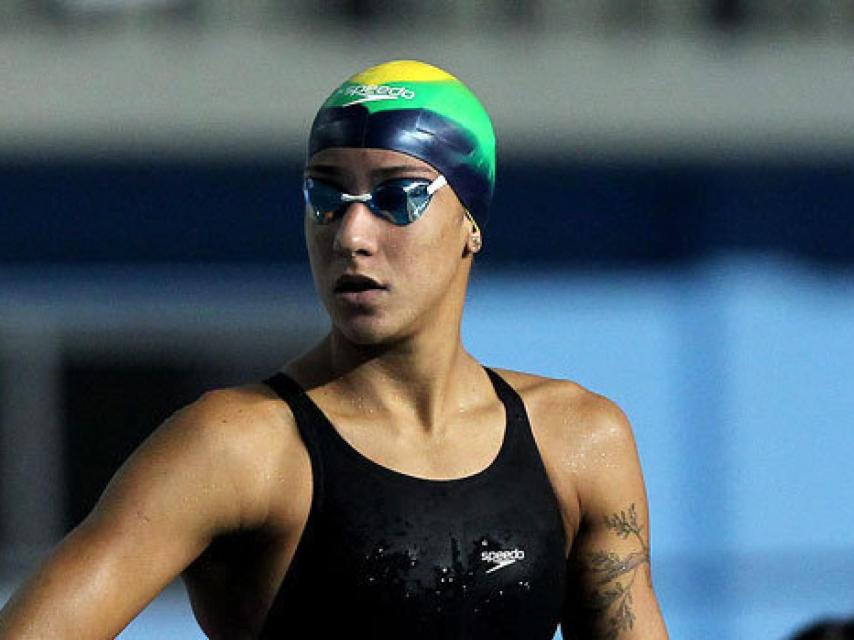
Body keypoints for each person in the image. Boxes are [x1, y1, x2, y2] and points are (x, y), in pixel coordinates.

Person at [0, 60, 668, 639]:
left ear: (470, 222)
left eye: (396, 197)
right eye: (326, 196)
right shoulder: (239, 449)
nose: (351, 234)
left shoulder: (578, 443)